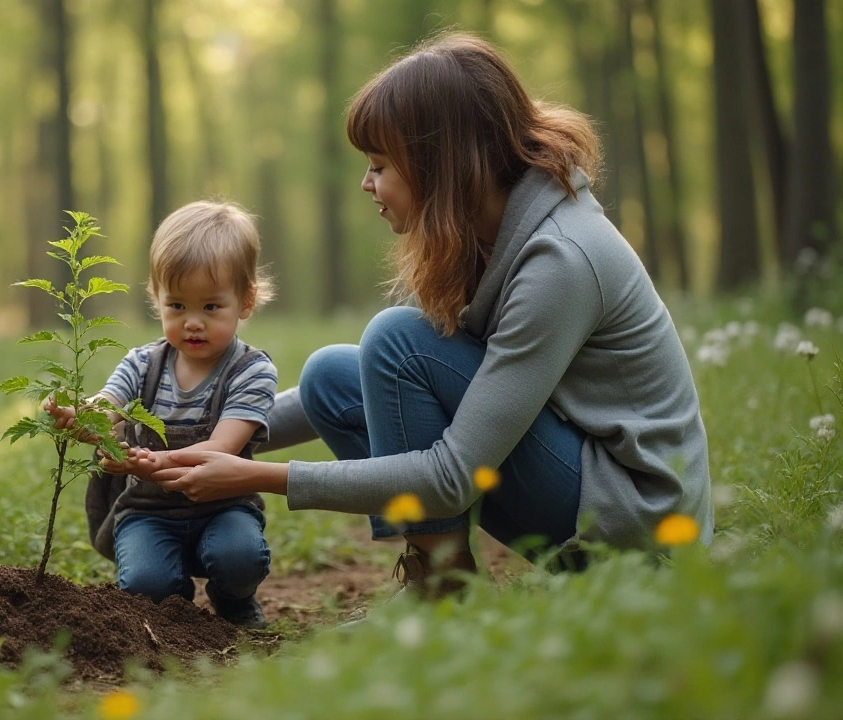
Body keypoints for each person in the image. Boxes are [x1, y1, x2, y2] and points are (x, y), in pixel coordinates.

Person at [139, 33, 713, 599]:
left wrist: (256, 476)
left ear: (442, 165)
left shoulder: (560, 259)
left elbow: (454, 473)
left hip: (639, 527)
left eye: (381, 165)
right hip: (586, 483)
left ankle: (440, 587)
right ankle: (443, 578)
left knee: (397, 341)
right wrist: (194, 440)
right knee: (331, 376)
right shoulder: (495, 235)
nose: (368, 183)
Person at [45, 200, 278, 627]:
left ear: (245, 301)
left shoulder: (252, 371)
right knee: (145, 584)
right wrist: (80, 416)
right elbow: (109, 404)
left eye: (210, 307)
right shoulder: (142, 363)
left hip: (224, 506)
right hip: (148, 510)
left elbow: (224, 446)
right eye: (177, 306)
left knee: (239, 557)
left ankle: (232, 599)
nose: (192, 322)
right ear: (157, 299)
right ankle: (173, 604)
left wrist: (158, 461)